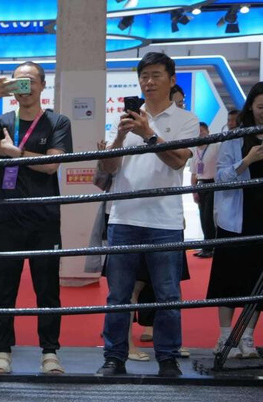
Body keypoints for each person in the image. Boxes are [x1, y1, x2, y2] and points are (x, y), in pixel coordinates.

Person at [96, 52, 199, 378]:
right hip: (123, 217)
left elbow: (178, 161)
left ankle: (168, 359)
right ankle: (114, 358)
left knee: (168, 295)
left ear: (171, 79)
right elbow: (109, 169)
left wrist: (148, 133)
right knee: (118, 296)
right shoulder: (124, 118)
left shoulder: (186, 119)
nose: (149, 82)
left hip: (164, 220)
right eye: (144, 76)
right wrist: (121, 137)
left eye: (155, 75)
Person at [0, 61, 73, 375]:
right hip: (5, 214)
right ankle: (2, 350)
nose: (23, 88)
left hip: (44, 216)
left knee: (47, 287)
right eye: (17, 83)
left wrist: (14, 154)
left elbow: (53, 166)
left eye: (29, 82)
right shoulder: (2, 120)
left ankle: (50, 351)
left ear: (42, 85)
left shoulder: (58, 121)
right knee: (2, 286)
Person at [206, 81, 263, 359]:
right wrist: (247, 161)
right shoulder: (234, 137)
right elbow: (220, 178)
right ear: (250, 107)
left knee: (258, 282)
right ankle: (226, 336)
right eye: (261, 106)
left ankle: (248, 337)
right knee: (227, 279)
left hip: (261, 221)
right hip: (235, 219)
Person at [191, 121, 219, 258]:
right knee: (202, 217)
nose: (200, 133)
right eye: (197, 131)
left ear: (208, 131)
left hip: (214, 184)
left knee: (209, 217)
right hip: (201, 185)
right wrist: (194, 191)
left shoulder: (215, 146)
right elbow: (193, 174)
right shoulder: (195, 151)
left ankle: (212, 247)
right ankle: (206, 246)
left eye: (202, 130)